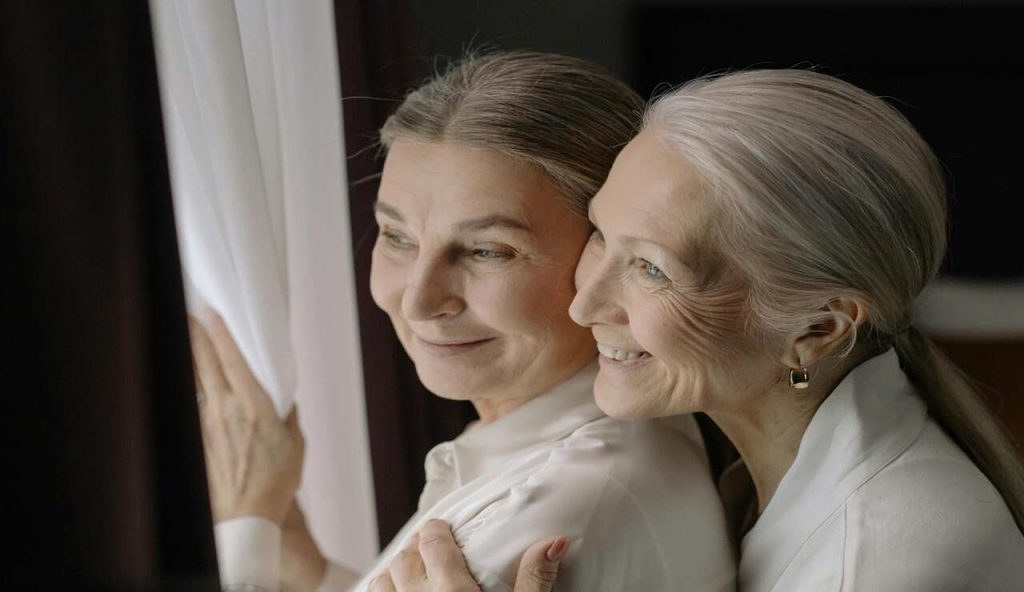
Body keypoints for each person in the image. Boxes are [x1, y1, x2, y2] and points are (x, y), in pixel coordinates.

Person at [382, 68, 1024, 591]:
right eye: (600, 235)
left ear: (819, 328)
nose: (585, 305)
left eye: (651, 270)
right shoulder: (756, 462)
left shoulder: (876, 567)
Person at [190, 52, 736, 592]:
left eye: (487, 251)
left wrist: (245, 527)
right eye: (397, 238)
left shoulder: (556, 509)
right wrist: (305, 568)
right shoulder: (585, 454)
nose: (418, 302)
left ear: (608, 257)